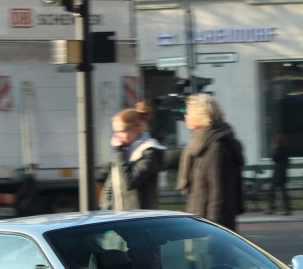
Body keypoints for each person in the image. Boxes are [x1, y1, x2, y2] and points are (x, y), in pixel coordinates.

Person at [176, 93, 245, 230]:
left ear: (200, 115)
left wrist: (213, 231)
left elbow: (219, 196)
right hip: (199, 221)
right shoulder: (201, 144)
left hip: (210, 228)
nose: (185, 116)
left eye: (188, 112)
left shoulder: (216, 148)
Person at [100, 102, 167, 211]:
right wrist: (106, 213)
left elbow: (130, 182)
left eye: (120, 131)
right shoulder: (124, 152)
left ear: (136, 130)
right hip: (120, 216)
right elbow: (109, 188)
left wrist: (118, 152)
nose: (116, 136)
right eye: (114, 132)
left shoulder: (149, 151)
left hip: (140, 218)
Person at [268, 134, 292, 215]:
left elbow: (273, 157)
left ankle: (272, 208)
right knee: (283, 190)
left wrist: (272, 148)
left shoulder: (279, 149)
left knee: (273, 190)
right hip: (283, 172)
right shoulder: (286, 149)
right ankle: (287, 208)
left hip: (278, 172)